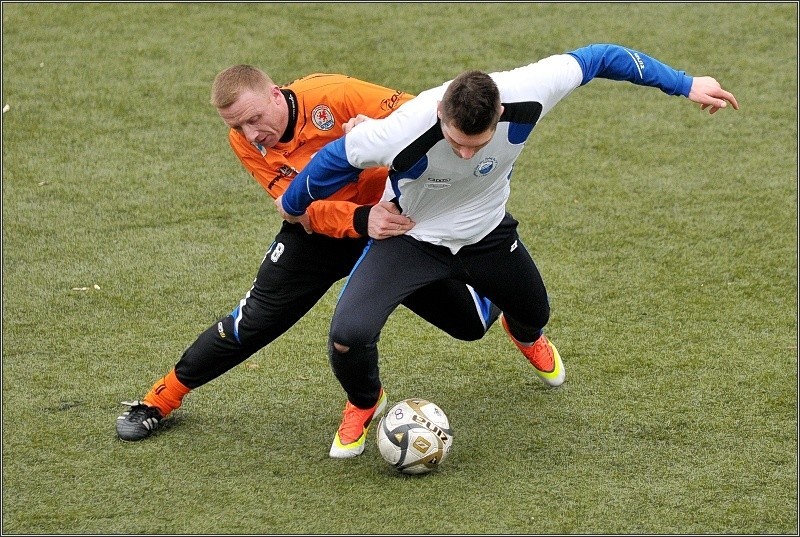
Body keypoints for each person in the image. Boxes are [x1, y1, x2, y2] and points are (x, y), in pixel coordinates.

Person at [276, 43, 739, 458]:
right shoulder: (400, 128)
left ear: (499, 114)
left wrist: (685, 84)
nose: (463, 155)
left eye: (474, 145)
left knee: (536, 311)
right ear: (440, 112)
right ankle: (364, 400)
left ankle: (524, 333)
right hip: (412, 239)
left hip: (488, 233)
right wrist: (293, 207)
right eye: (456, 141)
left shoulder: (530, 90)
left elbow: (602, 57)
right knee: (348, 334)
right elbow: (328, 164)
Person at [116, 65, 502, 444]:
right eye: (237, 127)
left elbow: (420, 112)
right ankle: (158, 401)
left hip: (395, 221)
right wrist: (360, 218)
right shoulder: (245, 141)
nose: (251, 134)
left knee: (469, 325)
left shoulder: (332, 94)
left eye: (254, 119)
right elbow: (297, 208)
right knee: (250, 323)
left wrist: (372, 126)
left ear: (274, 93)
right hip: (325, 231)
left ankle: (520, 321)